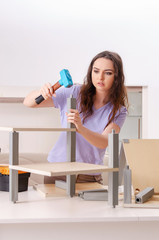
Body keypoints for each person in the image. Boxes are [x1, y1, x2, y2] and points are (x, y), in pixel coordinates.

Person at [23, 50, 128, 184]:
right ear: (91, 72)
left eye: (108, 73)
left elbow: (104, 141)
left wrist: (80, 127)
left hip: (88, 175)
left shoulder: (118, 111)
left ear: (117, 77)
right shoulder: (73, 92)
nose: (100, 77)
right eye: (96, 71)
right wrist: (42, 92)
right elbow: (28, 102)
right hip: (57, 170)